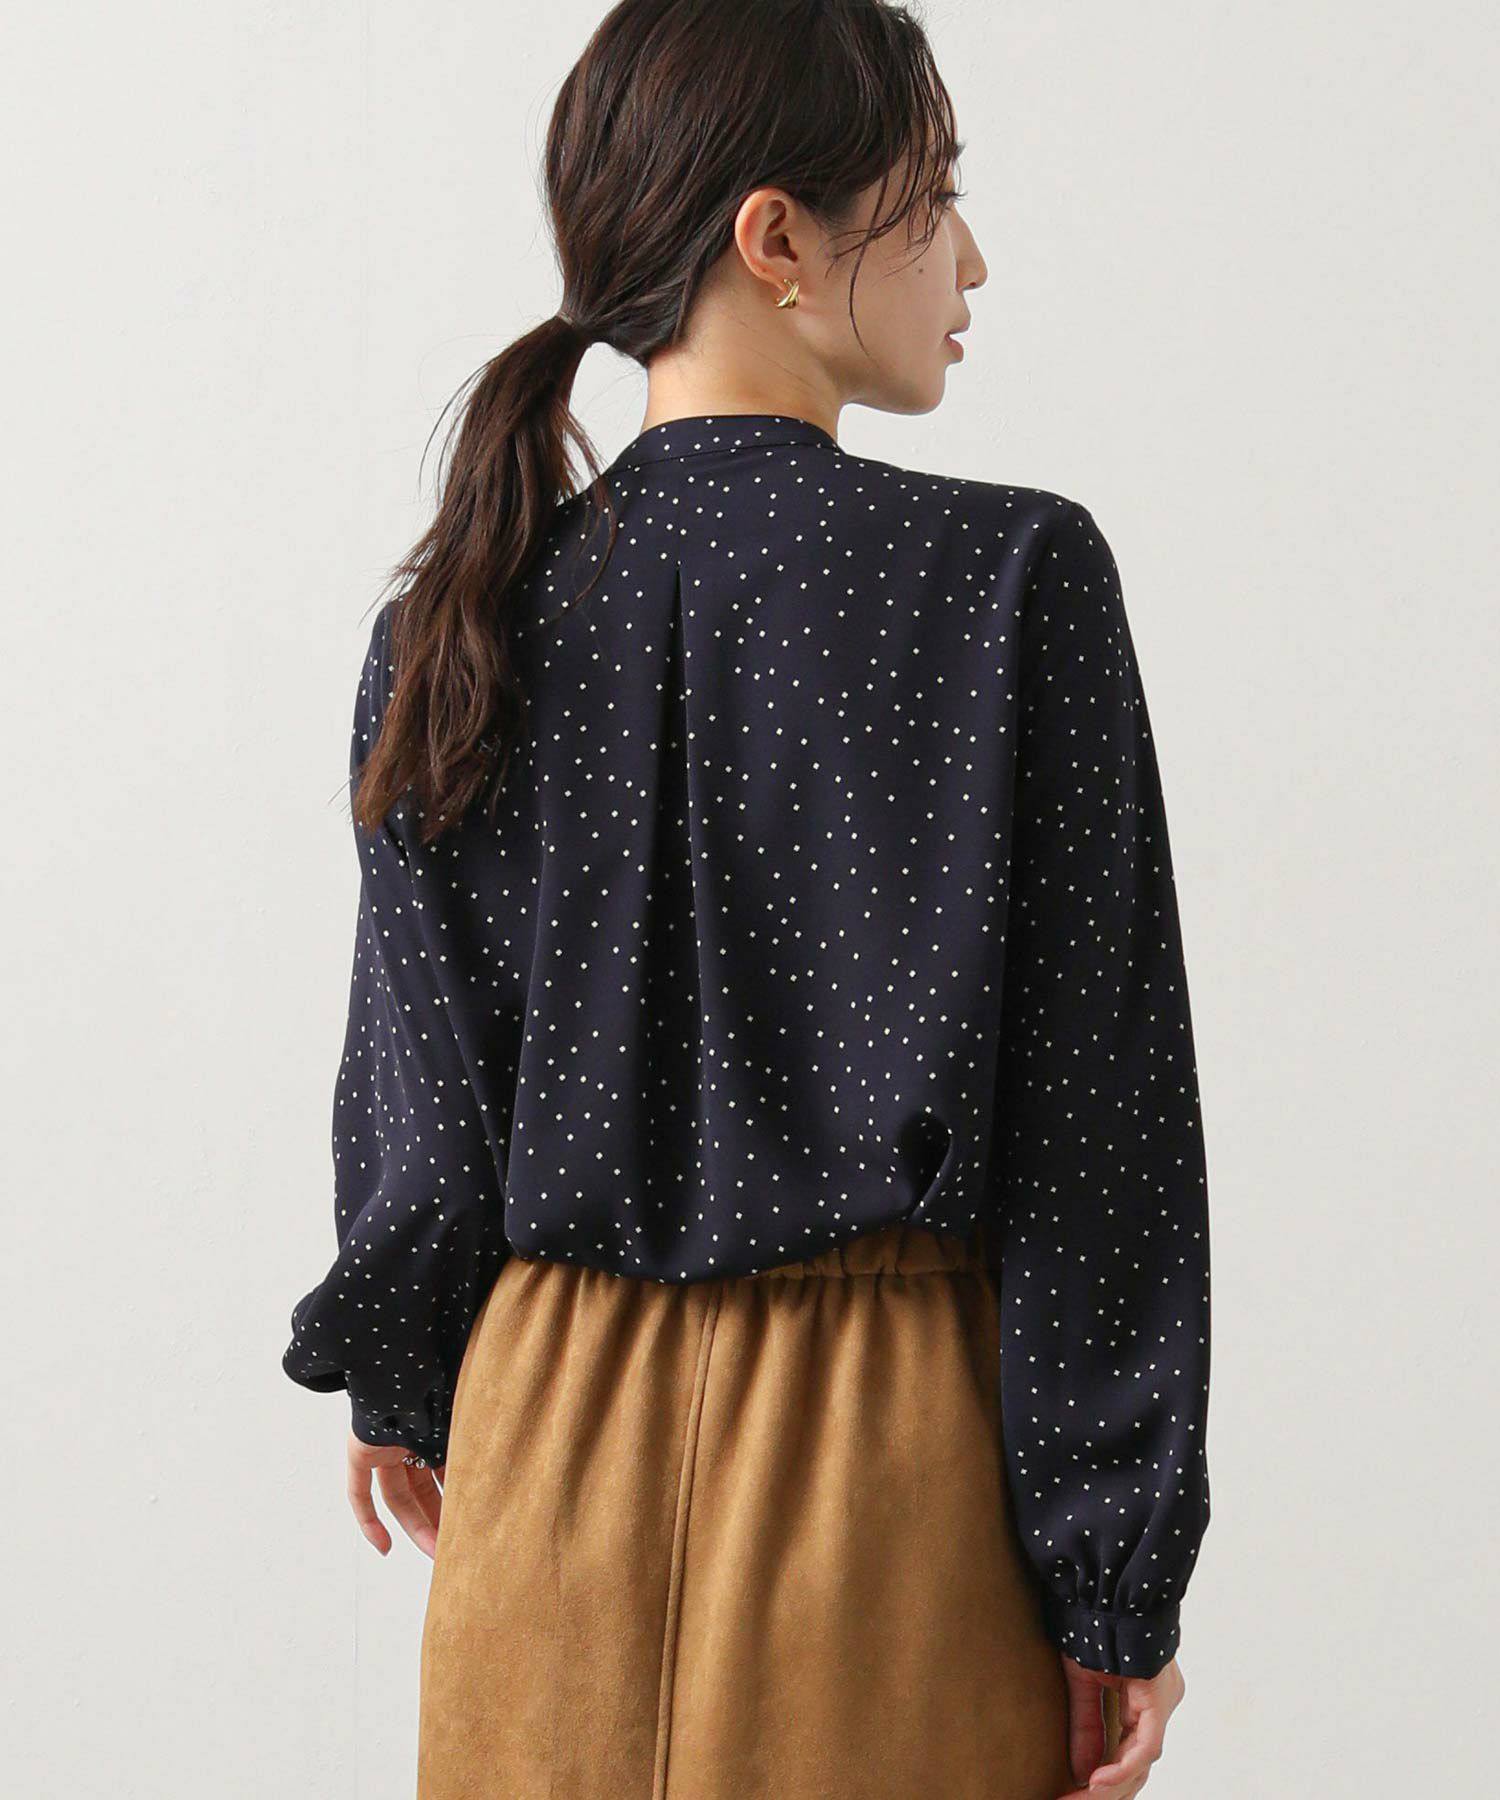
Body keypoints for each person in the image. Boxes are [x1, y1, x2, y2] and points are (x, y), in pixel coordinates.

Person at [281, 1, 1212, 1794]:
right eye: (935, 198)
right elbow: (1097, 1131)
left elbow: (423, 1103)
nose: (971, 259)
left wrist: (404, 1378)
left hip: (543, 1458)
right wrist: (1114, 1584)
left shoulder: (457, 619)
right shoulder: (1007, 579)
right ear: (777, 238)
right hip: (897, 1478)